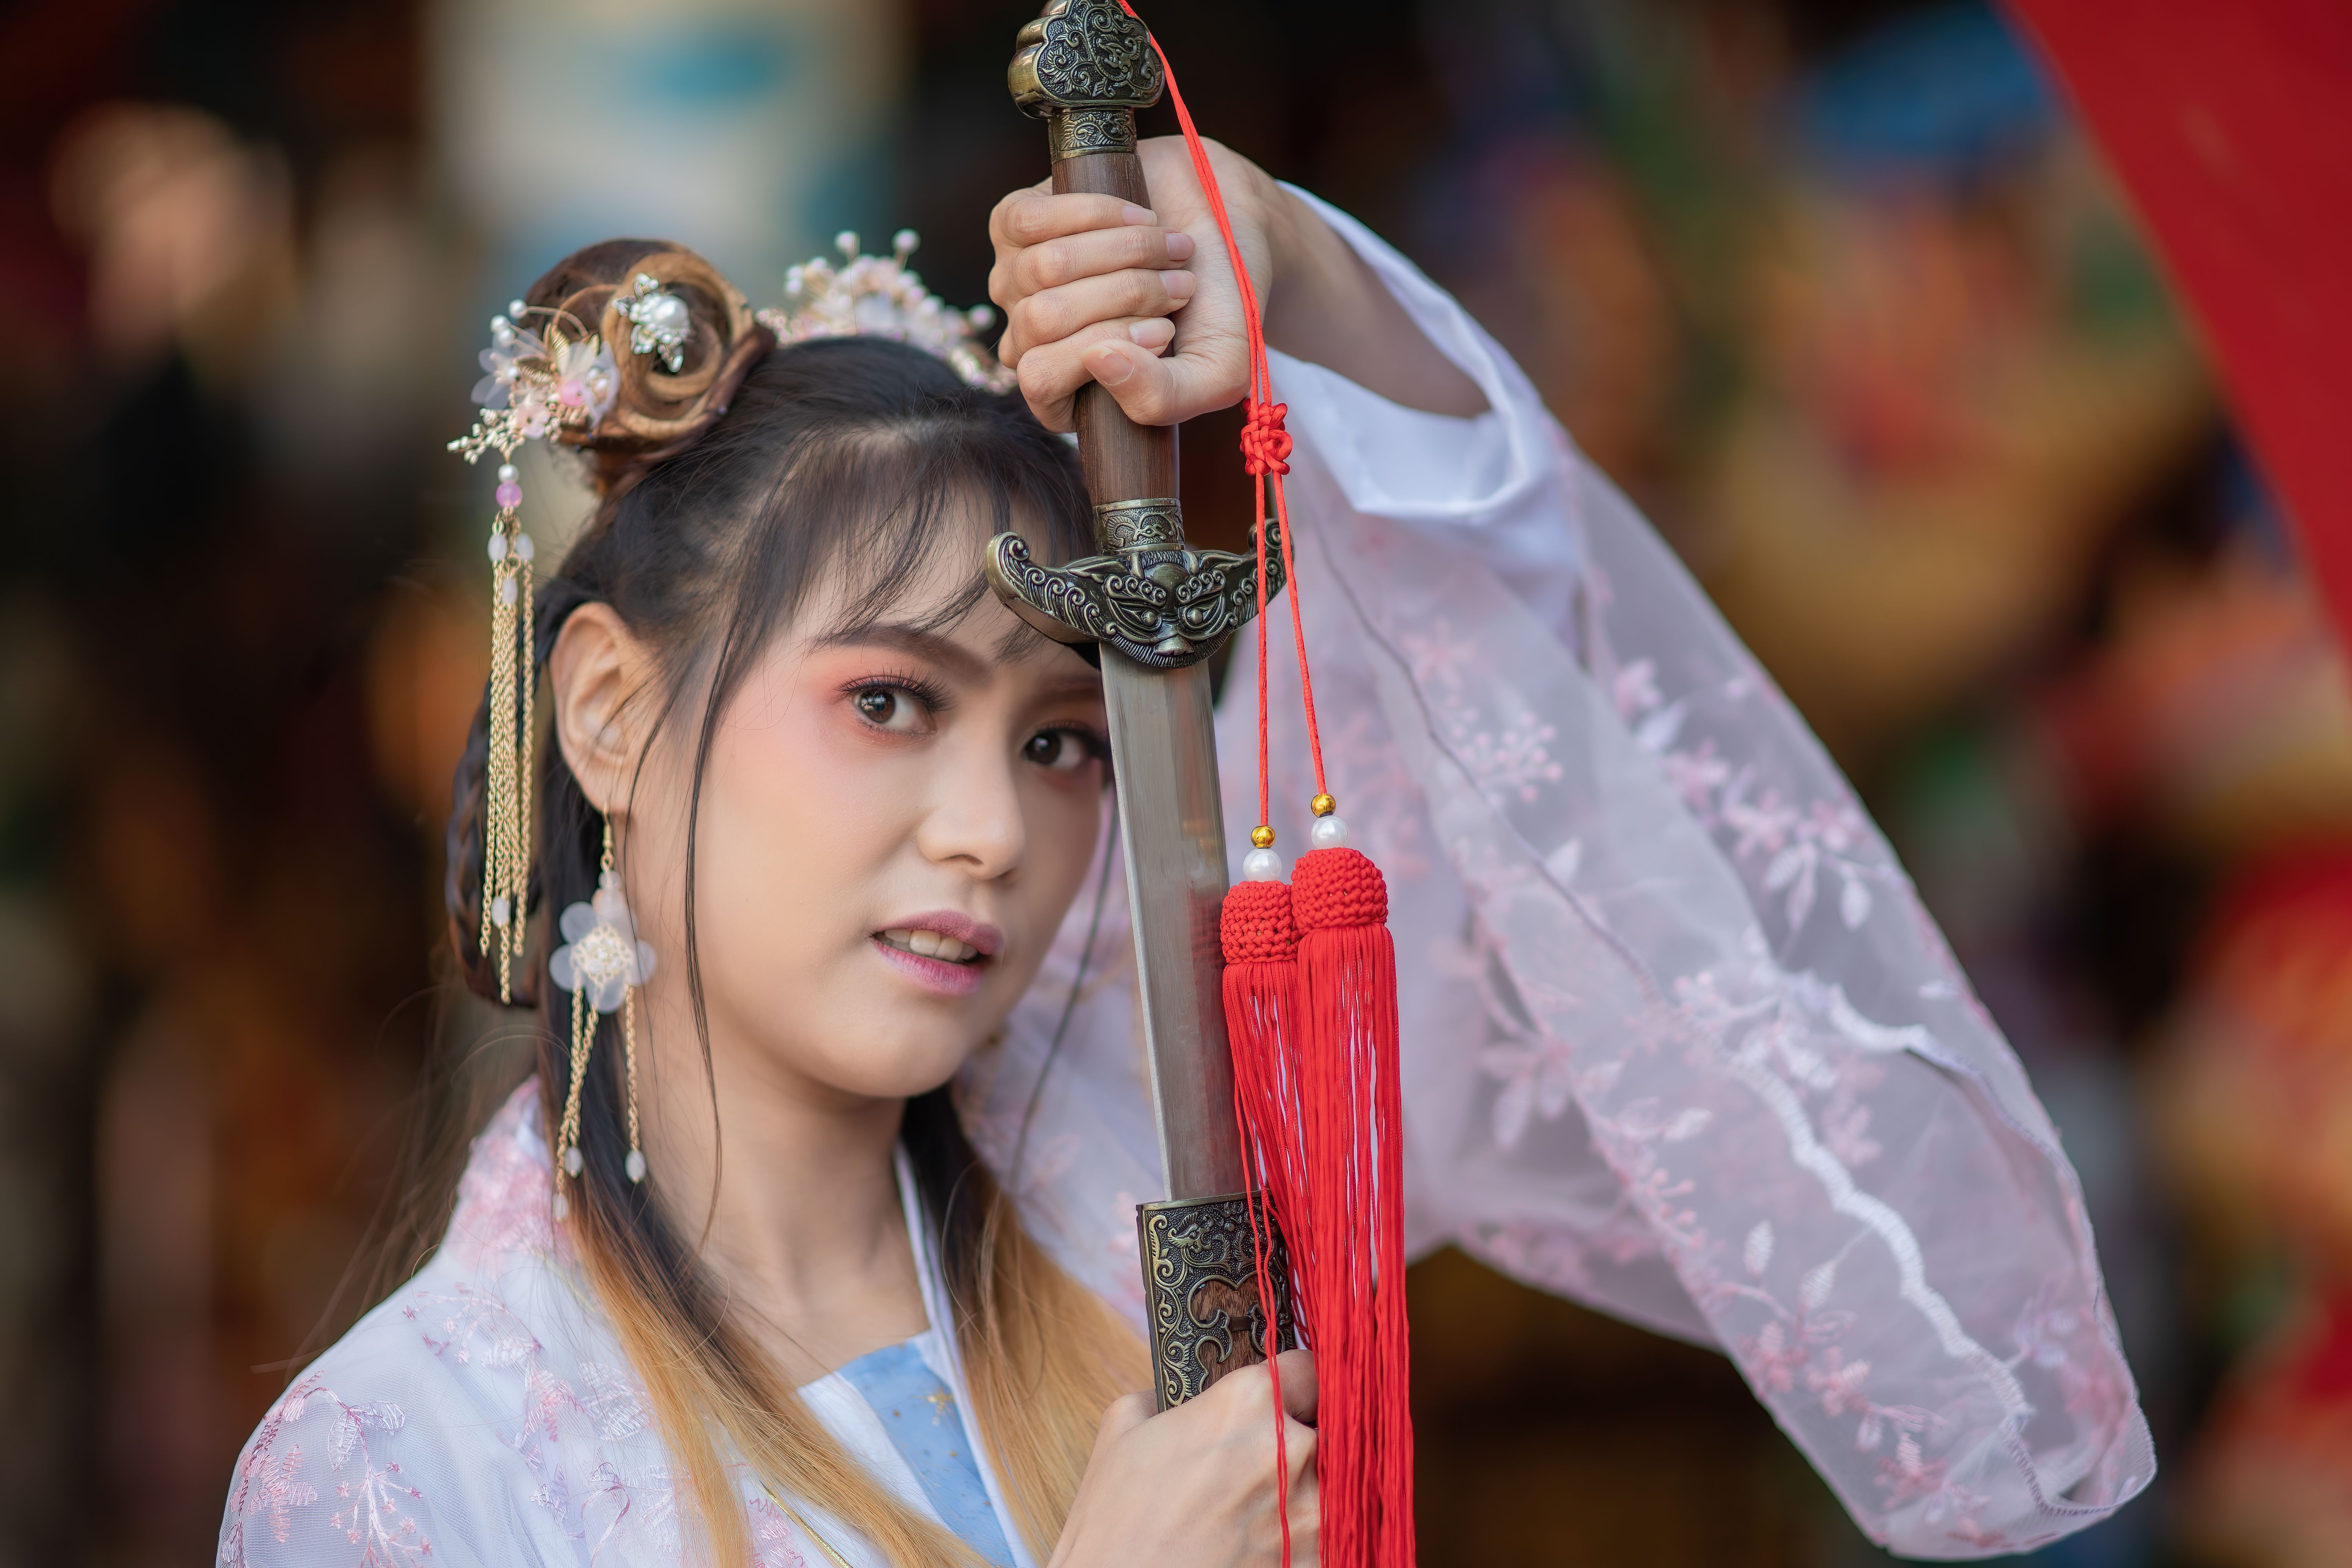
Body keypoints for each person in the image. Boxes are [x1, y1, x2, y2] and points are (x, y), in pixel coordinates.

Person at [217, 140, 2151, 1568]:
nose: (992, 830)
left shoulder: (1141, 1151)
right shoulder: (405, 1462)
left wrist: (1287, 264)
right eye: (889, 703)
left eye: (1061, 735)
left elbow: (1513, 694)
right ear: (613, 714)